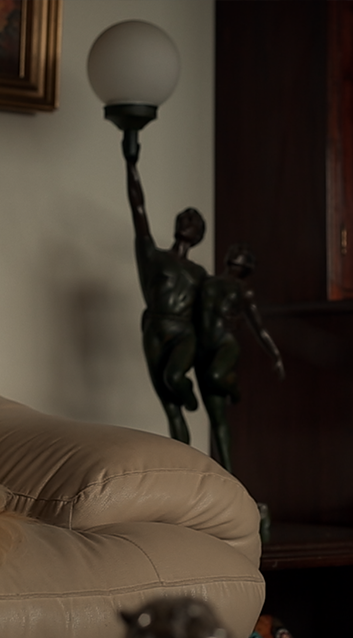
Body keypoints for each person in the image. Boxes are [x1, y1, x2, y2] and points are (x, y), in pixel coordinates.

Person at [125, 140, 207, 444]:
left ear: (198, 234)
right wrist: (131, 164)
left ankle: (188, 393)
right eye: (184, 216)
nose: (187, 219)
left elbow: (209, 313)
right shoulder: (153, 256)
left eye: (194, 219)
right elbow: (138, 209)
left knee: (174, 378)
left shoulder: (199, 274)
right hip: (155, 330)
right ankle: (185, 462)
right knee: (171, 408)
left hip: (184, 332)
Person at [193, 245, 285, 473]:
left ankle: (234, 391)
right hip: (203, 349)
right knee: (217, 417)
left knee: (216, 376)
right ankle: (227, 474)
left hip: (225, 343)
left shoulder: (243, 291)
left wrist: (275, 354)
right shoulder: (207, 282)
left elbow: (259, 328)